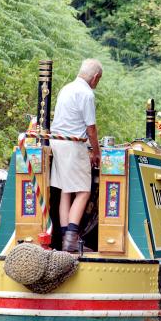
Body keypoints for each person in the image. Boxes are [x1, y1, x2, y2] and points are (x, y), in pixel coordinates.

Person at [49, 59, 103, 252]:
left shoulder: (66, 88)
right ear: (95, 77)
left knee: (66, 189)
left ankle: (65, 237)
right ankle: (71, 240)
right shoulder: (86, 93)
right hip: (73, 145)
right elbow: (91, 129)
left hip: (57, 142)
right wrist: (96, 152)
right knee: (83, 191)